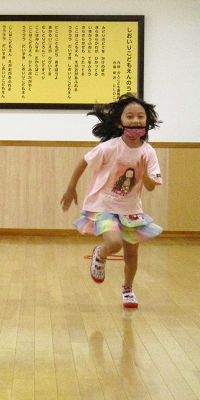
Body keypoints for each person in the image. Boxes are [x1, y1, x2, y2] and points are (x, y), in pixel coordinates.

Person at [61, 93, 163, 308]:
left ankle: (128, 290)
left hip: (130, 208)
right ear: (120, 122)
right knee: (114, 243)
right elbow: (84, 162)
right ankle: (101, 253)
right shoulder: (110, 147)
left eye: (140, 117)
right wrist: (71, 187)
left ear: (147, 121)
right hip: (104, 205)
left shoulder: (148, 152)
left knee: (132, 254)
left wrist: (144, 174)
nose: (136, 120)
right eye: (130, 116)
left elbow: (152, 186)